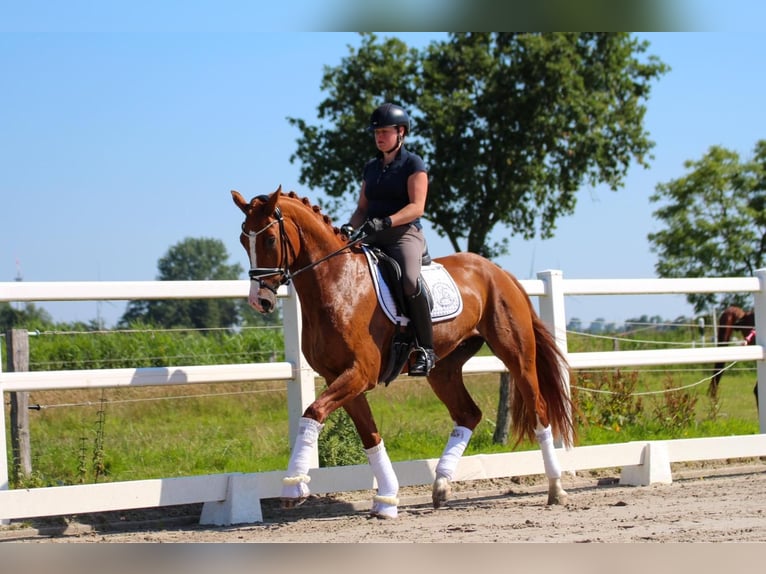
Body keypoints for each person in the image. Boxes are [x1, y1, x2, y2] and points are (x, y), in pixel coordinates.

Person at [342, 102, 437, 376]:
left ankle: (426, 349)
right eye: (376, 133)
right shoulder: (371, 168)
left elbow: (417, 206)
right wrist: (349, 228)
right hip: (372, 236)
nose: (379, 137)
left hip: (403, 235)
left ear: (401, 132)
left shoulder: (413, 163)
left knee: (408, 279)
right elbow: (362, 208)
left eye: (384, 132)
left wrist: (387, 221)